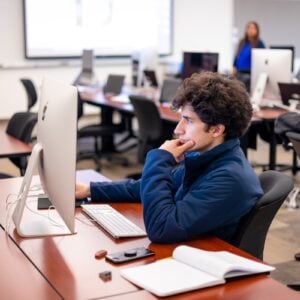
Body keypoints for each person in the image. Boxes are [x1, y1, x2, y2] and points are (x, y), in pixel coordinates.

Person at [76, 72, 263, 244]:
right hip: (188, 249)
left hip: (205, 263)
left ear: (216, 130)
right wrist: (89, 190)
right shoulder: (207, 158)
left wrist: (159, 159)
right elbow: (142, 188)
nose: (177, 129)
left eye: (188, 120)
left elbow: (161, 229)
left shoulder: (228, 178)